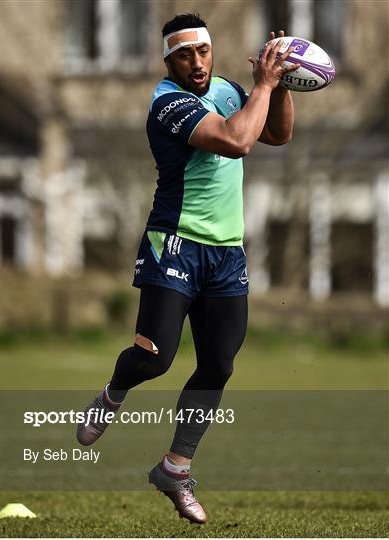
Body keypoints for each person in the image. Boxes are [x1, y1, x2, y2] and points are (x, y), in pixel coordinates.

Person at [77, 13, 298, 525]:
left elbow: (278, 135)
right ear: (167, 61)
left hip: (227, 253)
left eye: (202, 51)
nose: (196, 63)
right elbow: (238, 140)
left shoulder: (226, 87)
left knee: (220, 364)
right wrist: (264, 83)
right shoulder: (168, 104)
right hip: (174, 244)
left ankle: (175, 467)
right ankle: (113, 392)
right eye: (183, 55)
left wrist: (281, 85)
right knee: (156, 359)